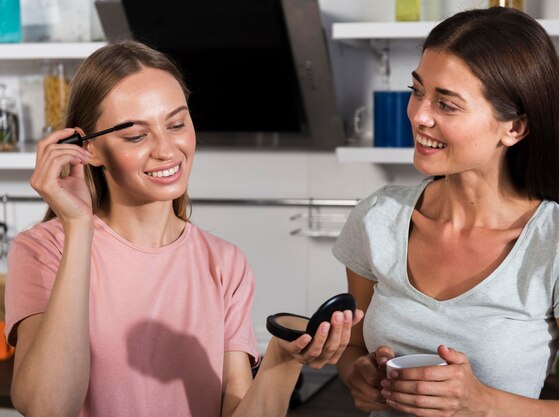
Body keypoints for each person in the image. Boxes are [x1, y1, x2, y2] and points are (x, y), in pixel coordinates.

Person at [4, 40, 363, 417]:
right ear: (87, 148)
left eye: (176, 124)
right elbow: (47, 408)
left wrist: (284, 359)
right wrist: (78, 227)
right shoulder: (44, 251)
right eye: (136, 135)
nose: (166, 149)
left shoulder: (224, 263)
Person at [332, 7, 559, 417]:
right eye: (417, 91)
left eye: (446, 105)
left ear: (515, 128)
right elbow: (353, 345)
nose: (419, 115)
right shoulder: (377, 218)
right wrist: (356, 374)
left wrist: (481, 402)